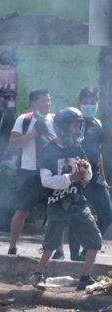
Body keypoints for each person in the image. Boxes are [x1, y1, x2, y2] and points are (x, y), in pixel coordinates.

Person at [29, 107, 102, 292]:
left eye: (79, 126)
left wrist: (85, 171)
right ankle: (38, 274)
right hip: (57, 203)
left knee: (94, 239)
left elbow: (88, 176)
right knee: (52, 243)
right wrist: (71, 177)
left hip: (77, 201)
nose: (77, 130)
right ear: (62, 127)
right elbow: (46, 181)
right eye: (74, 126)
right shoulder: (48, 150)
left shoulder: (77, 147)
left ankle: (85, 278)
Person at [7, 89, 60, 257]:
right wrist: (33, 134)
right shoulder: (24, 120)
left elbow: (62, 144)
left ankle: (58, 250)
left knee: (56, 211)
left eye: (49, 100)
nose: (47, 104)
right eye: (43, 100)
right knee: (22, 210)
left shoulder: (56, 120)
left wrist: (47, 134)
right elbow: (13, 145)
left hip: (51, 172)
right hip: (28, 171)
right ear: (34, 103)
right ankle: (12, 247)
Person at [68, 86, 112, 261]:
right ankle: (74, 253)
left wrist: (104, 179)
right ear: (79, 103)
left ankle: (89, 246)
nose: (89, 106)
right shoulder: (76, 123)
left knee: (107, 213)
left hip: (96, 177)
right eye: (85, 103)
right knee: (77, 214)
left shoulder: (97, 123)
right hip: (79, 176)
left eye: (92, 103)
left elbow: (99, 153)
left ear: (97, 103)